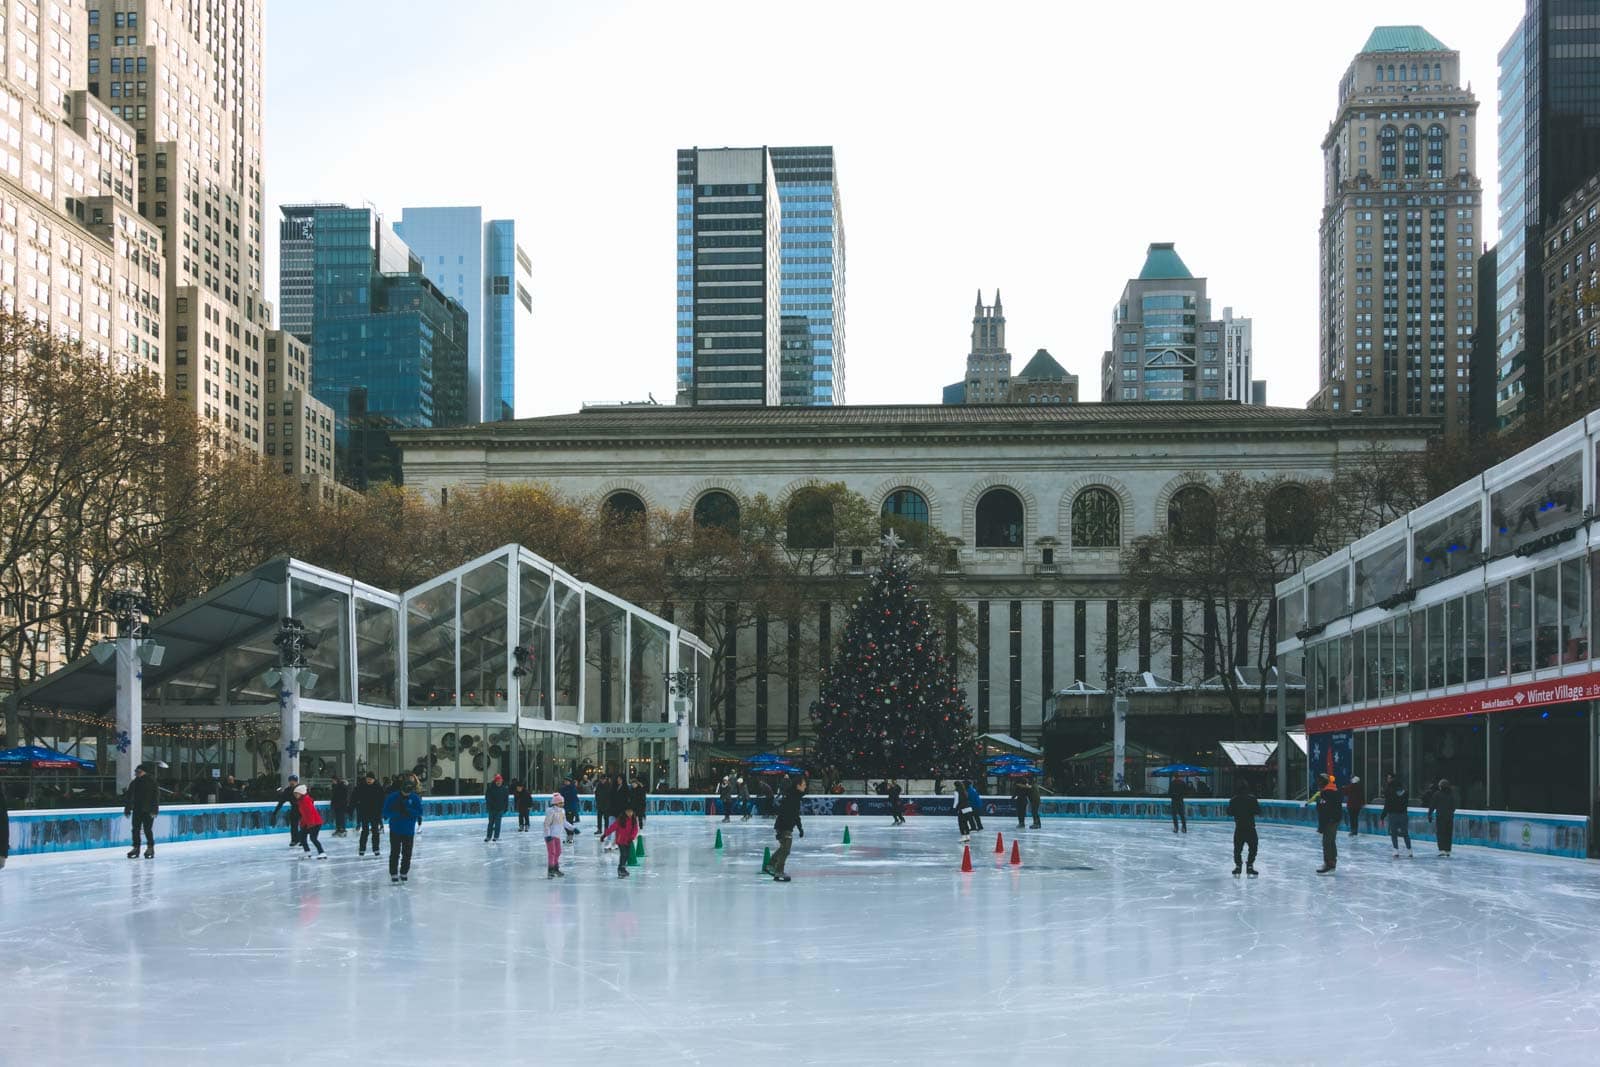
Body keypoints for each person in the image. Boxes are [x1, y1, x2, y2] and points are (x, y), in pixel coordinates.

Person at [384, 777, 424, 884]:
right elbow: (386, 812)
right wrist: (398, 812)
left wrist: (409, 811)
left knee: (407, 853)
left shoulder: (414, 798)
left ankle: (404, 872)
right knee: (395, 852)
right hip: (395, 829)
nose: (406, 794)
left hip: (409, 830)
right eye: (405, 791)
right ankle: (393, 873)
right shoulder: (392, 797)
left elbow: (420, 812)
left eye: (409, 792)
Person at [770, 774, 808, 882]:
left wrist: (800, 828)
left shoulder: (795, 796)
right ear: (798, 786)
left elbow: (795, 815)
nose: (805, 787)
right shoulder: (791, 797)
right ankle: (778, 871)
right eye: (804, 785)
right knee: (785, 849)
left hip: (786, 826)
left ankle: (771, 865)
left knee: (784, 848)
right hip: (784, 826)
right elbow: (784, 813)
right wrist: (781, 829)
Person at [122, 763, 160, 859]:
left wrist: (154, 810)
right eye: (136, 772)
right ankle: (136, 847)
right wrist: (127, 808)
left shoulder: (151, 782)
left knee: (147, 829)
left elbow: (155, 797)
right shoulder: (134, 782)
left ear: (144, 772)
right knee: (135, 829)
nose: (136, 773)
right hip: (137, 810)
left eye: (138, 771)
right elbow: (129, 796)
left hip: (148, 810)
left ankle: (150, 847)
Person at [1228, 779, 1260, 876]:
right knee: (1253, 848)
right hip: (1250, 827)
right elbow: (1258, 811)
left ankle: (1238, 866)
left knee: (1237, 849)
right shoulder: (1252, 799)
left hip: (1239, 828)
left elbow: (1229, 812)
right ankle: (1250, 866)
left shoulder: (1233, 800)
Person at [602, 804, 641, 878]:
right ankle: (620, 868)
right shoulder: (621, 819)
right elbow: (612, 827)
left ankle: (622, 868)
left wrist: (632, 837)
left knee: (627, 855)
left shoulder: (633, 820)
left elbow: (635, 829)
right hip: (621, 840)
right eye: (628, 812)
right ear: (625, 812)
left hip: (628, 840)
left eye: (631, 812)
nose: (630, 813)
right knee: (623, 854)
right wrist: (605, 835)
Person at [1315, 773, 1342, 874]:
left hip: (1329, 820)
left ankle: (1329, 864)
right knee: (1331, 841)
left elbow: (1323, 810)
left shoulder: (1326, 793)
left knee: (1327, 842)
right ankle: (1332, 862)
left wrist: (1321, 827)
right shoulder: (1335, 790)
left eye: (1319, 781)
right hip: (1335, 819)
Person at [353, 771, 385, 857]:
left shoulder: (378, 788)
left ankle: (376, 849)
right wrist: (353, 807)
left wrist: (381, 812)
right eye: (368, 779)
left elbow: (382, 801)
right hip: (364, 813)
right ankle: (362, 849)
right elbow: (354, 798)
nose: (369, 780)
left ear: (374, 779)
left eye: (371, 779)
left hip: (375, 813)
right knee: (365, 831)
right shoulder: (361, 787)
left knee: (375, 831)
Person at [1381, 772, 1413, 858]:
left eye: (1388, 778)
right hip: (1403, 814)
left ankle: (1396, 851)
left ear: (1392, 779)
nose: (1387, 780)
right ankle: (1409, 851)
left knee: (1394, 833)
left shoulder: (1388, 790)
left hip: (1393, 814)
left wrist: (1382, 816)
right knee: (1405, 833)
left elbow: (1387, 804)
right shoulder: (1403, 790)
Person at [294, 783, 326, 858]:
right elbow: (304, 814)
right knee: (302, 836)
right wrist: (302, 824)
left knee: (313, 838)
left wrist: (311, 824)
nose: (295, 795)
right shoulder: (301, 801)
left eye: (296, 793)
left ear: (301, 793)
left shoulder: (306, 800)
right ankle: (307, 852)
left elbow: (310, 812)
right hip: (308, 823)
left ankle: (322, 852)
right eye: (295, 794)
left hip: (315, 822)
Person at [272, 775, 302, 848]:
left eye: (294, 781)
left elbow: (309, 799)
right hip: (294, 809)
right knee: (293, 826)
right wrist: (275, 812)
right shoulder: (287, 790)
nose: (292, 782)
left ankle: (301, 839)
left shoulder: (301, 789)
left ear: (296, 781)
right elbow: (281, 802)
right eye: (291, 781)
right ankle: (294, 840)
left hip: (302, 809)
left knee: (303, 826)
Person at [1429, 778, 1457, 858]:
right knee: (1448, 833)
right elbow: (1454, 807)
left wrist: (1430, 814)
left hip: (1441, 817)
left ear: (1440, 786)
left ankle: (1442, 850)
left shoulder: (1437, 794)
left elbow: (1432, 805)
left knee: (1441, 833)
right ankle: (1448, 850)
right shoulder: (1451, 795)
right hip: (1449, 817)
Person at [543, 792, 567, 877]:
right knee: (552, 852)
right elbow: (546, 824)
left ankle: (556, 869)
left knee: (558, 852)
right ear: (556, 803)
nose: (562, 804)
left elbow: (564, 822)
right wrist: (548, 835)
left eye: (563, 802)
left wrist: (573, 828)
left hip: (557, 836)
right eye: (561, 802)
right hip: (550, 836)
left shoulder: (562, 811)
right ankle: (551, 870)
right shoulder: (551, 812)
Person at [484, 773, 509, 842]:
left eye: (500, 780)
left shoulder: (504, 789)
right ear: (495, 781)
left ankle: (496, 837)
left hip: (500, 809)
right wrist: (490, 806)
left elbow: (506, 799)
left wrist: (505, 808)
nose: (499, 782)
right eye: (497, 780)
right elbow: (487, 798)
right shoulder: (490, 788)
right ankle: (488, 836)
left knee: (498, 824)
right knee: (490, 823)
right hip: (492, 809)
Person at [559, 775, 581, 843]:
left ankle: (570, 838)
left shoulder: (573, 789)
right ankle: (568, 837)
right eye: (565, 781)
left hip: (571, 808)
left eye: (567, 781)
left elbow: (575, 800)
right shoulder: (563, 789)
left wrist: (575, 810)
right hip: (564, 808)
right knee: (565, 823)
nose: (565, 782)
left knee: (569, 823)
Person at [953, 779, 973, 843]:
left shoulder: (956, 791)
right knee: (965, 823)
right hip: (968, 809)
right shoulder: (964, 791)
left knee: (961, 823)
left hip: (962, 809)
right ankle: (968, 836)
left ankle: (963, 837)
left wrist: (954, 808)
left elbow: (956, 801)